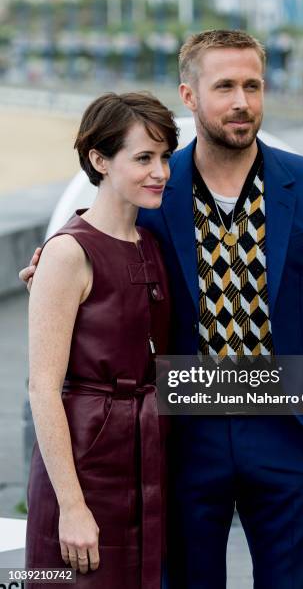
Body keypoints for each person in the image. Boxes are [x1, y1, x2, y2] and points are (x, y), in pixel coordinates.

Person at [21, 30, 303, 589]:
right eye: (224, 86)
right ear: (189, 95)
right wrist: (54, 256)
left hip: (289, 429)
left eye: (252, 85)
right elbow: (104, 231)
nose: (241, 102)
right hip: (183, 433)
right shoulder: (159, 185)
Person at [24, 91, 178, 588]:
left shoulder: (150, 243)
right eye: (143, 158)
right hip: (86, 464)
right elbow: (42, 388)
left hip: (146, 461)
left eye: (164, 158)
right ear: (99, 159)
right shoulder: (69, 252)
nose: (160, 172)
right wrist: (71, 506)